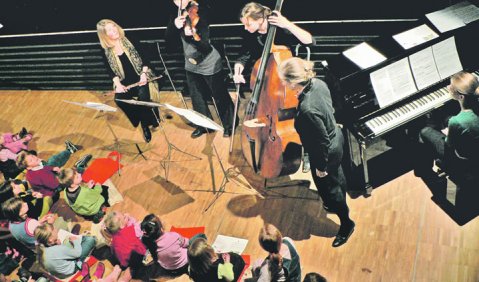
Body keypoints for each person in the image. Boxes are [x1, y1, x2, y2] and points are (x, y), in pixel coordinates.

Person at [277, 57, 355, 247]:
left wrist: (320, 167)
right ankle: (335, 198)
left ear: (293, 82)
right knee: (337, 177)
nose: (283, 84)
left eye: (284, 81)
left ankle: (346, 223)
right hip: (336, 136)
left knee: (329, 187)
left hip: (326, 150)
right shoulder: (318, 83)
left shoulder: (307, 109)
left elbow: (321, 142)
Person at [166, 0, 236, 138]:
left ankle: (229, 124)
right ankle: (204, 126)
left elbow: (205, 47)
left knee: (219, 95)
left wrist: (191, 36)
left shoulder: (202, 11)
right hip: (191, 64)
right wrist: (173, 26)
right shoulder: (175, 15)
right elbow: (169, 45)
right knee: (196, 97)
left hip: (209, 62)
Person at [96, 19, 160, 143]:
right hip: (124, 80)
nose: (113, 30)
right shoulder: (105, 49)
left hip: (141, 75)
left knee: (143, 97)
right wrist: (118, 84)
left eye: (113, 26)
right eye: (109, 30)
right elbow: (110, 71)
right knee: (119, 99)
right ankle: (145, 116)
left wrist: (143, 75)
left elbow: (146, 59)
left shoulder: (130, 38)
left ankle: (145, 125)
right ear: (104, 35)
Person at [233, 2, 315, 85]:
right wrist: (237, 73)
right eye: (244, 25)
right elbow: (243, 57)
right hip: (265, 78)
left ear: (260, 19)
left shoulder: (279, 27)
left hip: (288, 76)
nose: (245, 28)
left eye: (248, 24)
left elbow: (310, 42)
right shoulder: (250, 34)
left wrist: (288, 25)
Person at [416, 71, 479, 178]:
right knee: (446, 118)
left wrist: (448, 132)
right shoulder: (461, 118)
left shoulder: (456, 121)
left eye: (451, 86)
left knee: (425, 131)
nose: (448, 87)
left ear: (461, 97)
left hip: (462, 159)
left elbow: (449, 145)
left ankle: (423, 170)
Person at [15, 142, 90, 198]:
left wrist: (52, 168)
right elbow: (54, 184)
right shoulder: (40, 175)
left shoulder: (37, 166)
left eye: (32, 156)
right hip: (54, 188)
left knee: (53, 160)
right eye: (31, 160)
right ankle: (80, 167)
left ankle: (70, 150)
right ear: (28, 167)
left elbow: (44, 168)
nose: (34, 158)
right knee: (69, 175)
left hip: (50, 176)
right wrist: (61, 172)